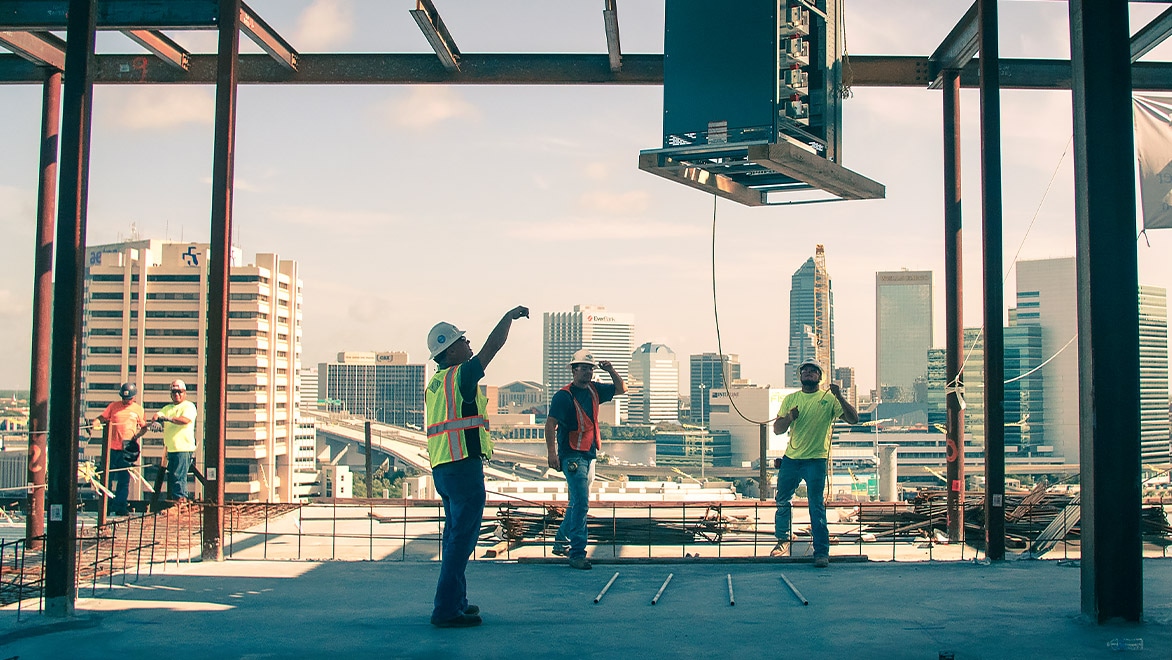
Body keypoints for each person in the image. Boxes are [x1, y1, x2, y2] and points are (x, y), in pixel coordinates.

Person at [425, 305, 529, 628]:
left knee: (454, 536)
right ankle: (446, 610)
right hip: (462, 469)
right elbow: (491, 348)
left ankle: (457, 601)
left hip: (443, 469)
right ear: (451, 349)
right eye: (463, 340)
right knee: (462, 540)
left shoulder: (436, 384)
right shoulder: (462, 375)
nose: (468, 345)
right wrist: (508, 318)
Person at [771, 358, 858, 568]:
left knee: (816, 506)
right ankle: (783, 539)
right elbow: (777, 429)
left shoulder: (829, 400)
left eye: (813, 371)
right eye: (805, 370)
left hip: (816, 460)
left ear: (820, 376)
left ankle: (821, 552)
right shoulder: (791, 399)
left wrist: (839, 395)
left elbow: (853, 418)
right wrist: (790, 418)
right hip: (792, 459)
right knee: (782, 499)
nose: (809, 373)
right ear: (800, 376)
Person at [544, 349, 626, 570]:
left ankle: (561, 541)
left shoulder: (594, 390)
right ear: (574, 370)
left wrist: (610, 370)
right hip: (571, 455)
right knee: (581, 503)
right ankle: (577, 553)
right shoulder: (563, 396)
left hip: (589, 454)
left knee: (577, 503)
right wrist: (552, 454)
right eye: (583, 368)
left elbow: (621, 389)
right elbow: (550, 424)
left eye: (590, 368)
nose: (588, 372)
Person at [94, 382, 146, 517]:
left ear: (133, 398)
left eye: (127, 398)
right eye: (123, 398)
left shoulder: (138, 409)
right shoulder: (113, 406)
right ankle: (106, 506)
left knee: (123, 480)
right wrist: (95, 422)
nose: (125, 401)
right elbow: (102, 417)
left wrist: (136, 436)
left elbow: (144, 427)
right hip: (111, 447)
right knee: (107, 478)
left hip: (127, 449)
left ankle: (120, 506)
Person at [153, 379, 198, 504]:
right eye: (174, 392)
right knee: (173, 476)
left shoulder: (188, 406)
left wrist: (168, 418)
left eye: (179, 392)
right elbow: (157, 415)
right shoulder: (168, 407)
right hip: (171, 449)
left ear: (184, 393)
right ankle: (176, 500)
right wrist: (156, 420)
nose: (176, 394)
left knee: (179, 476)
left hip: (183, 448)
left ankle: (180, 501)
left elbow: (185, 420)